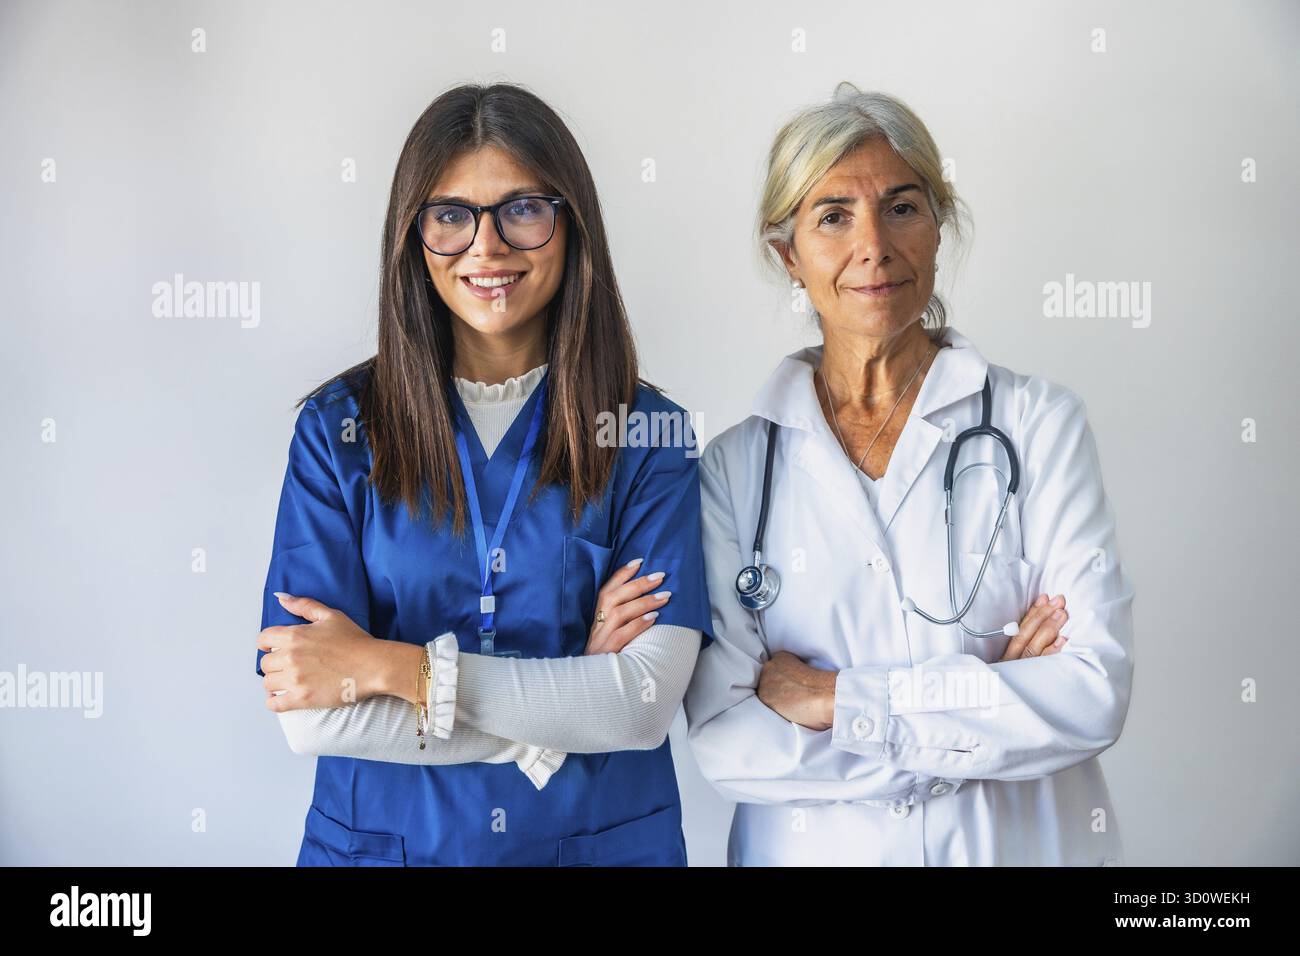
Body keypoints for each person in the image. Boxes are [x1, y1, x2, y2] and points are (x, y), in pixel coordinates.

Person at [255, 82, 712, 866]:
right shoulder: (338, 431)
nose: (487, 247)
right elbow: (311, 716)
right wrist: (562, 711)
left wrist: (395, 670)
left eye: (523, 209)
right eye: (450, 215)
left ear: (572, 224)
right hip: (386, 848)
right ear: (413, 234)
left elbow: (640, 706)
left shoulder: (645, 434)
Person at [684, 83, 1135, 866]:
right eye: (833, 216)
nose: (874, 246)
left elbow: (1091, 695)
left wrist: (837, 702)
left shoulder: (1039, 426)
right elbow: (729, 744)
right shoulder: (734, 470)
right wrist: (986, 706)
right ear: (787, 254)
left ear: (937, 225)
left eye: (901, 207)